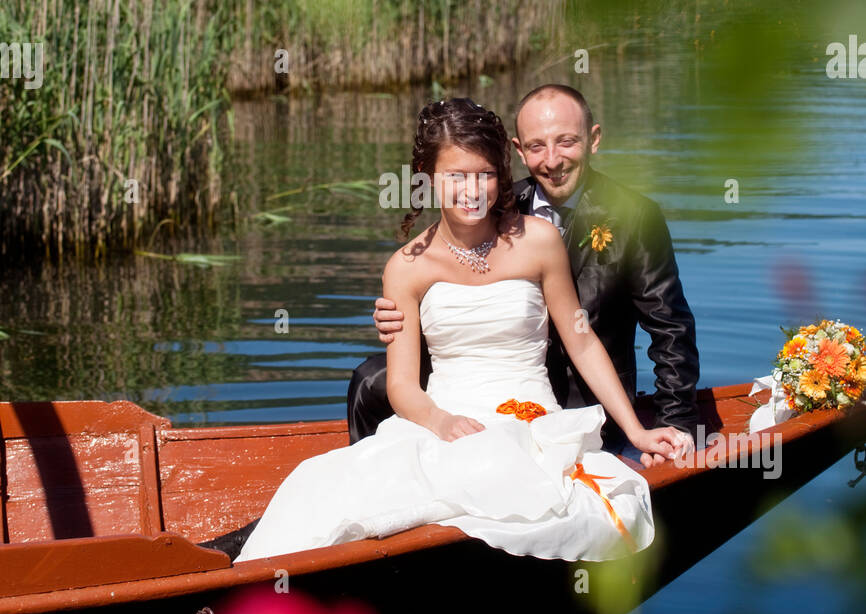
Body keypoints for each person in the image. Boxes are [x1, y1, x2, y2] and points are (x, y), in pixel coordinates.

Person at [235, 98, 676, 566]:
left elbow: (582, 341)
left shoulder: (538, 241)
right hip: (442, 416)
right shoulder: (406, 267)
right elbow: (402, 384)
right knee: (321, 485)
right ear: (426, 177)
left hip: (532, 414)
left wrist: (637, 430)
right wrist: (440, 422)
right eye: (455, 176)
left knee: (513, 473)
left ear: (501, 174)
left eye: (485, 174)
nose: (472, 190)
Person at [351, 84, 699, 464]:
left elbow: (669, 328)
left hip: (576, 407)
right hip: (458, 408)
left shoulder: (628, 219)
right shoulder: (457, 230)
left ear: (593, 139)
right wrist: (404, 320)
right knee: (370, 379)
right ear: (518, 152)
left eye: (566, 141)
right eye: (537, 147)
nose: (552, 160)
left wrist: (670, 427)